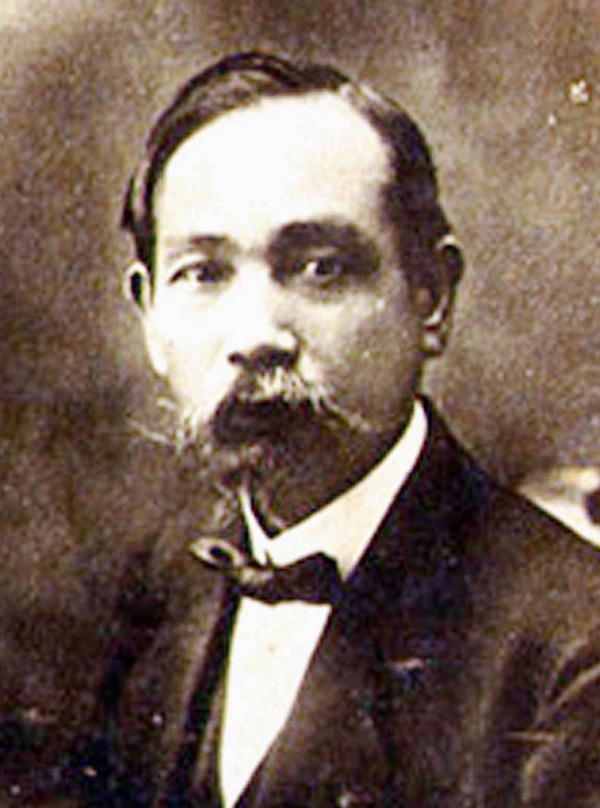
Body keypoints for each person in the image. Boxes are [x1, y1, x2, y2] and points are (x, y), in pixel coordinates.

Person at [83, 52, 600, 807]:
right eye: (204, 273)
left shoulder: (573, 650)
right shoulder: (155, 592)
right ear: (150, 318)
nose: (256, 335)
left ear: (431, 298)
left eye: (320, 269)